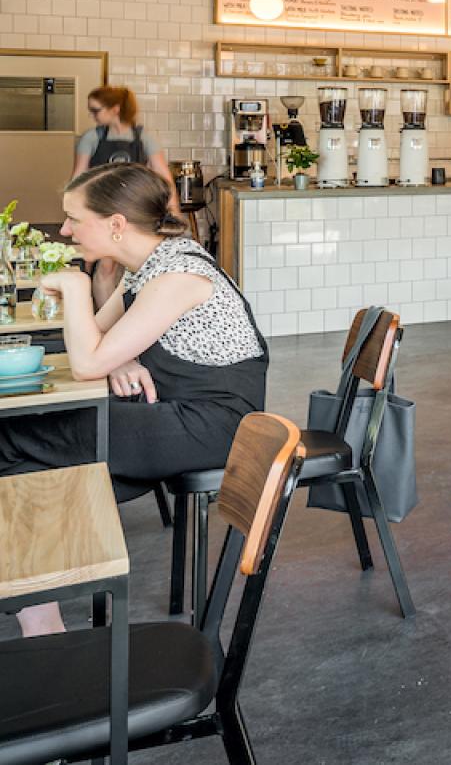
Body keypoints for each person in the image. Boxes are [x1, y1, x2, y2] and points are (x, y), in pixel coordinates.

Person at [3, 165, 268, 637]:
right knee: (29, 465)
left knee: (12, 438)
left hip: (209, 428)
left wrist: (76, 286)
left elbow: (85, 363)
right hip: (170, 413)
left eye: (72, 218)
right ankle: (42, 623)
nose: (63, 230)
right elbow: (98, 342)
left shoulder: (177, 275)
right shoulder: (150, 267)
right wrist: (121, 358)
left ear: (116, 224)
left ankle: (44, 610)